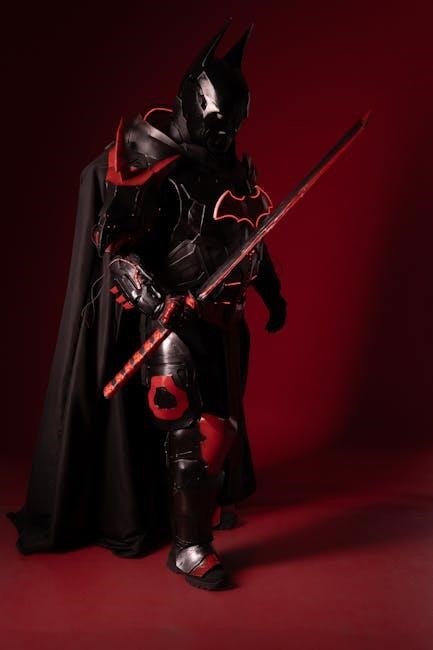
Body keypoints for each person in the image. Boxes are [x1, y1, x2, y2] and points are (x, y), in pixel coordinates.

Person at [8, 22, 286, 591]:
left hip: (222, 320)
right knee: (191, 431)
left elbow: (249, 238)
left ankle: (197, 509)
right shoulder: (150, 157)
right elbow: (117, 253)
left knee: (222, 428)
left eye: (231, 124)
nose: (224, 134)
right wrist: (160, 303)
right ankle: (190, 549)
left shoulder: (231, 168)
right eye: (217, 122)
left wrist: (272, 292)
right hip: (172, 322)